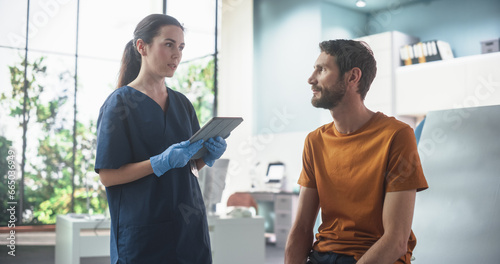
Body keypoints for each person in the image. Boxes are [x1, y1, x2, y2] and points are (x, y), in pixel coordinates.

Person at [94, 14, 226, 264]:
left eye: (181, 47)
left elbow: (187, 164)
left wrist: (206, 157)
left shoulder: (183, 104)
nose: (177, 54)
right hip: (144, 235)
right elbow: (108, 176)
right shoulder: (119, 104)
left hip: (190, 232)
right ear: (142, 47)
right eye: (168, 44)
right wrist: (158, 163)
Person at [284, 40, 428, 264]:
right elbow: (302, 228)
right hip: (322, 256)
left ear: (352, 77)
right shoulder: (314, 141)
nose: (311, 79)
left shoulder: (397, 136)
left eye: (321, 70)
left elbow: (396, 241)